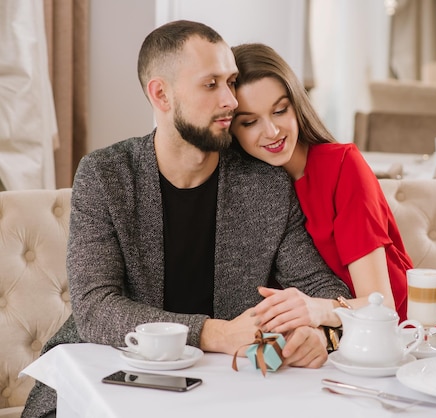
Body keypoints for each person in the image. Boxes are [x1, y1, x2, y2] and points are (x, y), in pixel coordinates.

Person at [22, 21, 350, 418]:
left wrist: (320, 332)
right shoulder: (104, 174)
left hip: (218, 390)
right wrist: (217, 333)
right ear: (161, 93)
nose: (230, 99)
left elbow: (324, 288)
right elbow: (95, 306)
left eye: (230, 82)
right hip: (108, 373)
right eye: (211, 84)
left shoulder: (265, 184)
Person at [229, 43, 416, 332]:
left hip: (400, 337)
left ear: (297, 104)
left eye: (280, 110)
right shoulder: (247, 187)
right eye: (250, 121)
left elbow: (381, 306)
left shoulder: (342, 167)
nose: (272, 132)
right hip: (325, 342)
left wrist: (317, 308)